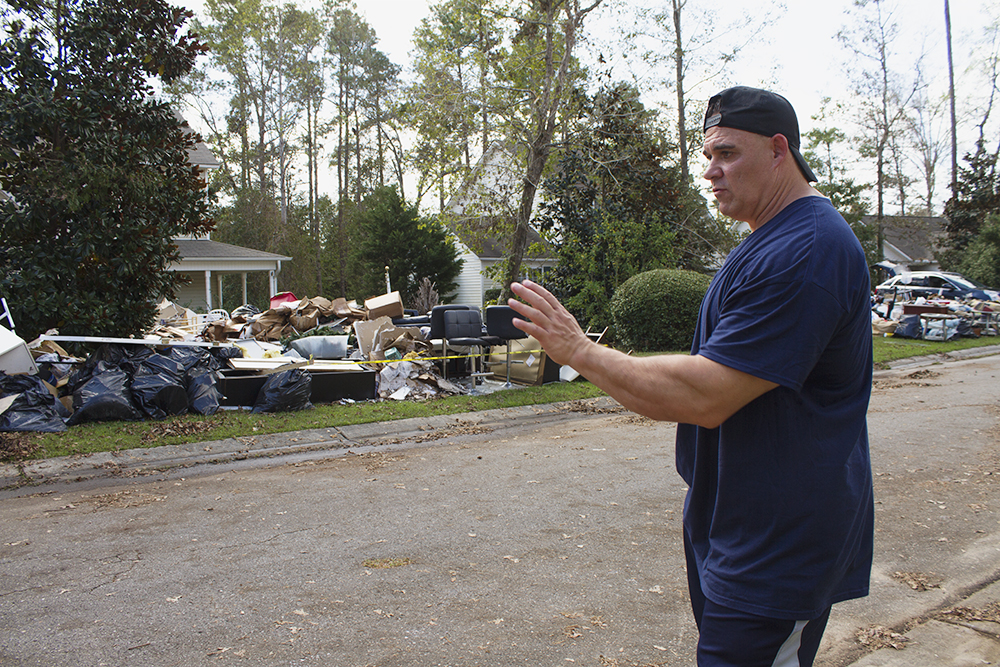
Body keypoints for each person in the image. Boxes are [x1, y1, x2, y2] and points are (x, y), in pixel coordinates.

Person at [507, 86, 873, 667]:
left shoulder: (806, 250)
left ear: (780, 150)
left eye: (727, 154)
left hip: (779, 542)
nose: (711, 172)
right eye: (708, 156)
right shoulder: (766, 241)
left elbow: (706, 393)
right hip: (738, 523)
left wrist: (579, 350)